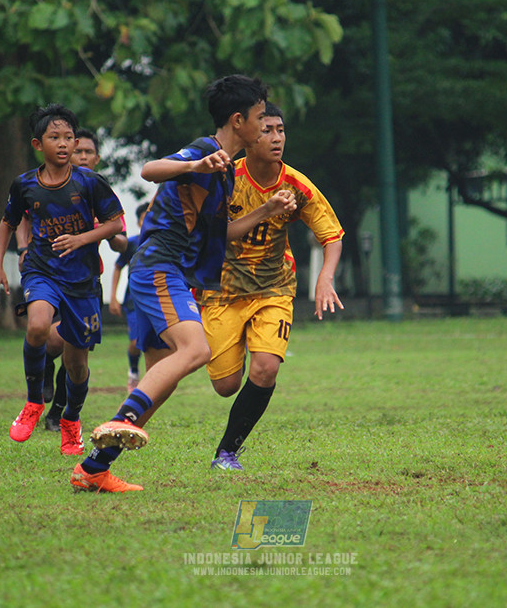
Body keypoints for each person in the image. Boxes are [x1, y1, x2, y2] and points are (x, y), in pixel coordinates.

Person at [69, 74, 297, 493]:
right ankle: (119, 422)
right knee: (196, 350)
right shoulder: (206, 151)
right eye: (261, 118)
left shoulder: (225, 171)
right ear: (238, 120)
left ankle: (94, 469)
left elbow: (222, 233)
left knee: (165, 376)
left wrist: (265, 211)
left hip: (171, 272)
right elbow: (150, 170)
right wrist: (195, 165)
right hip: (160, 267)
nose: (266, 126)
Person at [199, 102, 344, 470]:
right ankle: (238, 348)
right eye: (267, 130)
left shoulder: (297, 185)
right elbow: (214, 236)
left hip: (274, 289)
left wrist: (325, 278)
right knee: (226, 385)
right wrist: (266, 210)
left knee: (265, 369)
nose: (277, 138)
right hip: (223, 291)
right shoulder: (225, 178)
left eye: (281, 130)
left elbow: (332, 235)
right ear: (249, 135)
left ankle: (226, 453)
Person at [0, 103, 125, 455]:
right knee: (37, 326)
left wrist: (81, 239)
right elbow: (8, 221)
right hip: (42, 269)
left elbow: (114, 225)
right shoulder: (25, 184)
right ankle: (33, 402)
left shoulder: (90, 182)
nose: (63, 143)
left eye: (68, 137)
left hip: (83, 280)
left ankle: (71, 420)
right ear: (37, 144)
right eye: (54, 137)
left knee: (77, 365)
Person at [39, 126, 128, 431]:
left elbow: (121, 241)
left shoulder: (100, 192)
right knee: (52, 338)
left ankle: (57, 414)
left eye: (89, 152)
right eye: (79, 151)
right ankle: (43, 367)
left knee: (77, 354)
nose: (84, 157)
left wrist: (107, 233)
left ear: (97, 158)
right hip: (51, 278)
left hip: (87, 282)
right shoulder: (48, 188)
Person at [108, 202, 150, 393]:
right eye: (144, 218)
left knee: (154, 342)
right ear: (139, 222)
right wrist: (113, 297)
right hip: (133, 301)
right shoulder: (132, 243)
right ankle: (133, 371)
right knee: (135, 342)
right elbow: (118, 267)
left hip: (157, 300)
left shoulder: (164, 243)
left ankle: (154, 380)